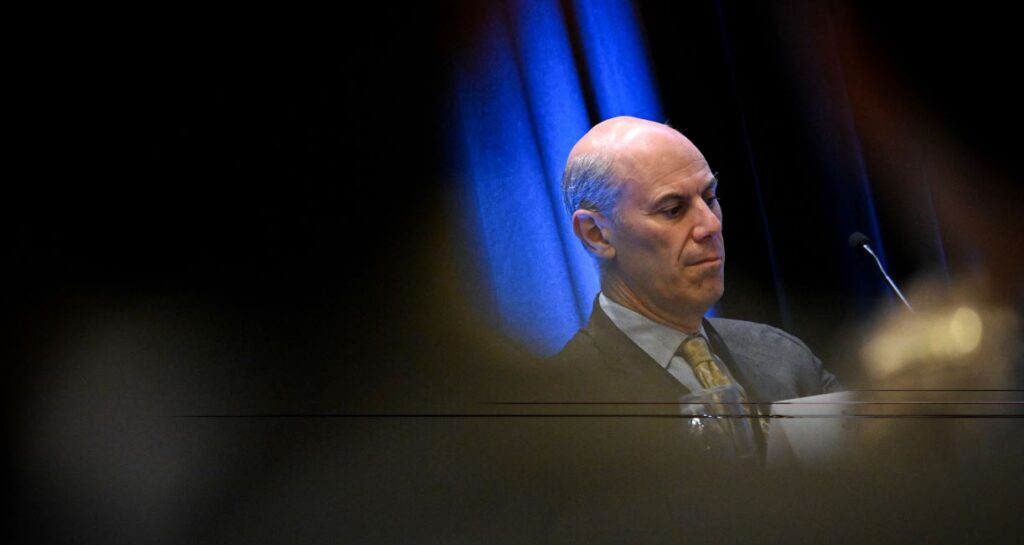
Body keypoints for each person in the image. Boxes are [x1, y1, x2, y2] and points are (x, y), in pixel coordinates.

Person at [551, 116, 840, 416]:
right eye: (673, 210)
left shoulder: (782, 356)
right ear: (596, 234)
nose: (710, 225)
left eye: (710, 198)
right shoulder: (564, 404)